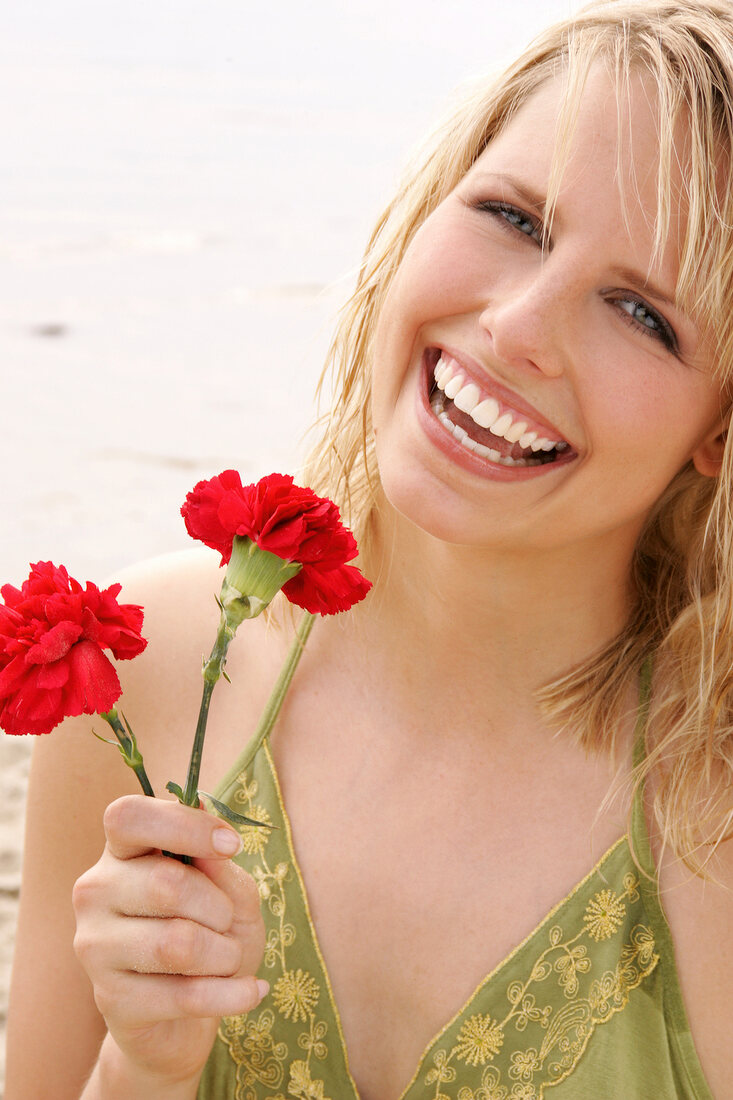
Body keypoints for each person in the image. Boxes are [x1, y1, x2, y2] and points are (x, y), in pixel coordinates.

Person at [6, 0, 733, 1096]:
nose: (517, 327)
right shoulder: (144, 683)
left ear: (715, 432)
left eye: (640, 312)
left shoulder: (707, 824)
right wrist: (143, 1065)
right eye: (515, 218)